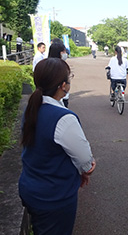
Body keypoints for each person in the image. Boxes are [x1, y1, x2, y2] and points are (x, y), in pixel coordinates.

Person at [18, 58, 95, 235]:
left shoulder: (32, 109)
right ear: (63, 85)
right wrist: (86, 169)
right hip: (53, 197)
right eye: (69, 78)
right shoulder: (64, 118)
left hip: (31, 188)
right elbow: (85, 159)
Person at [49, 40, 70, 107]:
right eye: (64, 51)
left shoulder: (46, 64)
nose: (65, 54)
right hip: (59, 97)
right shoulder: (60, 66)